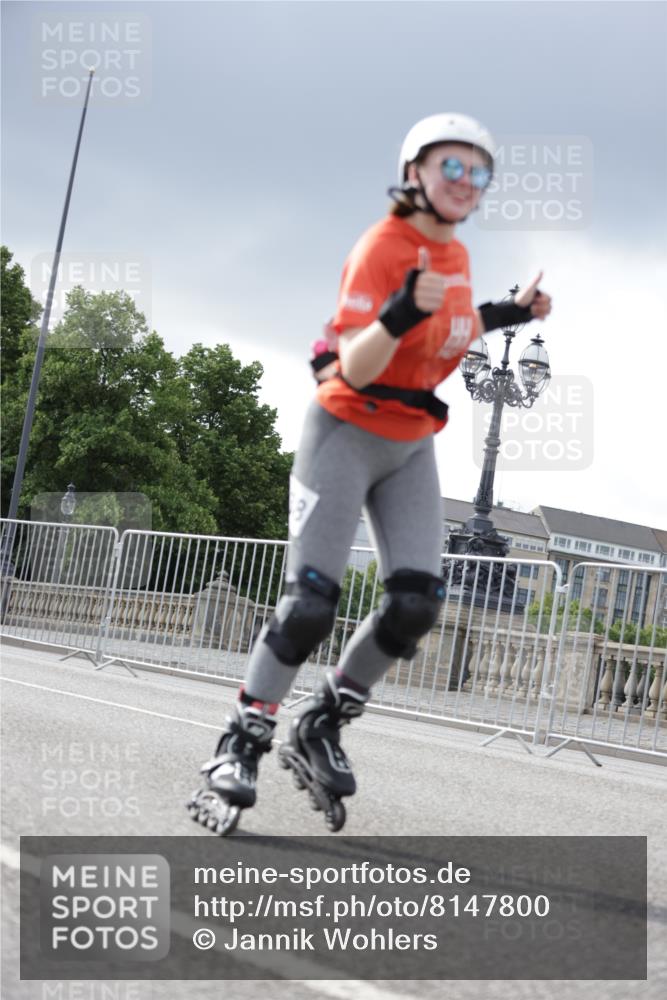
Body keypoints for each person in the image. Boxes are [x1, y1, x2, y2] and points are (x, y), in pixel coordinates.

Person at [190, 112, 552, 834]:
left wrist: (508, 313)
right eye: (450, 166)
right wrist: (390, 315)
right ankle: (240, 744)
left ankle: (322, 720)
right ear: (413, 171)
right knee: (311, 604)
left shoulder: (453, 259)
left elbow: (449, 327)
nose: (464, 182)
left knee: (415, 604)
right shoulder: (382, 247)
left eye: (476, 172)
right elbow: (351, 360)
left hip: (411, 440)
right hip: (346, 430)